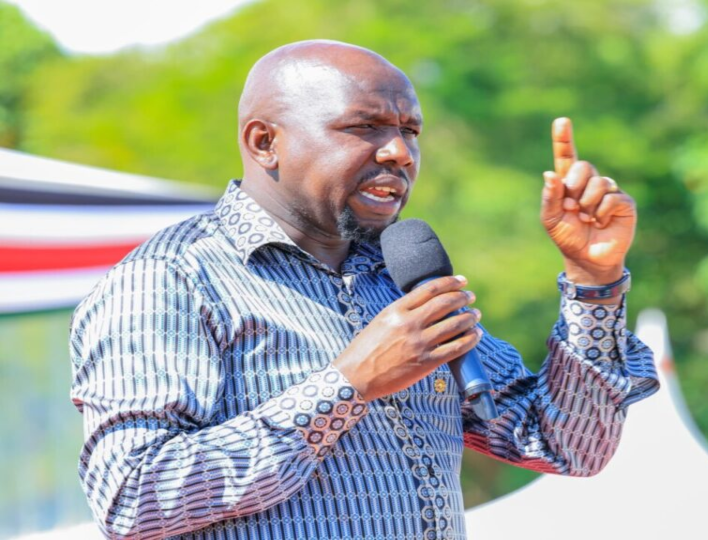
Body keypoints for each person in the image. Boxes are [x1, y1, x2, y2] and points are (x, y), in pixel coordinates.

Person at [69, 40, 659, 540]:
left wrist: (594, 281)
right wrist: (348, 385)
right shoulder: (171, 279)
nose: (399, 152)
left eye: (410, 131)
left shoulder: (403, 277)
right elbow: (132, 497)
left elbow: (569, 446)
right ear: (265, 142)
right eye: (363, 127)